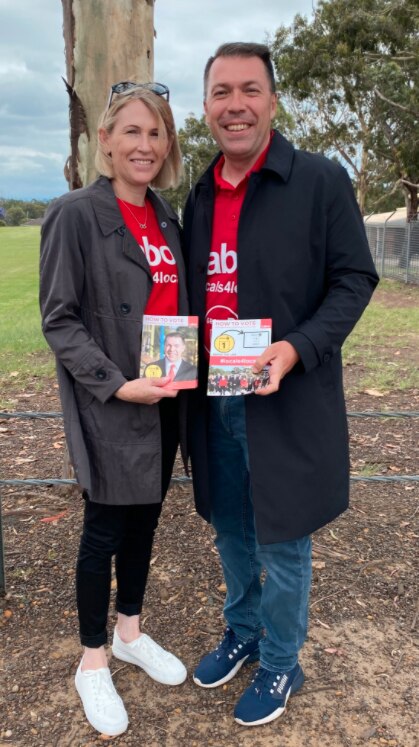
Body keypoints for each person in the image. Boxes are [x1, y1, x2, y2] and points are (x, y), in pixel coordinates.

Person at [183, 43, 379, 727]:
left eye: (248, 90)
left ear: (270, 100)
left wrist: (296, 348)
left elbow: (355, 279)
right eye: (220, 92)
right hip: (212, 398)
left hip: (284, 397)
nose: (234, 105)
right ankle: (241, 629)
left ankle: (280, 659)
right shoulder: (201, 190)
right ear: (205, 105)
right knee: (230, 525)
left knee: (281, 536)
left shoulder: (320, 180)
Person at [40, 81, 189, 738]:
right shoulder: (75, 214)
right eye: (131, 130)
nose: (144, 144)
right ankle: (92, 656)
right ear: (103, 139)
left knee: (144, 524)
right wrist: (114, 382)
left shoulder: (166, 216)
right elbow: (60, 319)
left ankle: (130, 629)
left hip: (166, 397)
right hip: (114, 400)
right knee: (103, 530)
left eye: (155, 133)